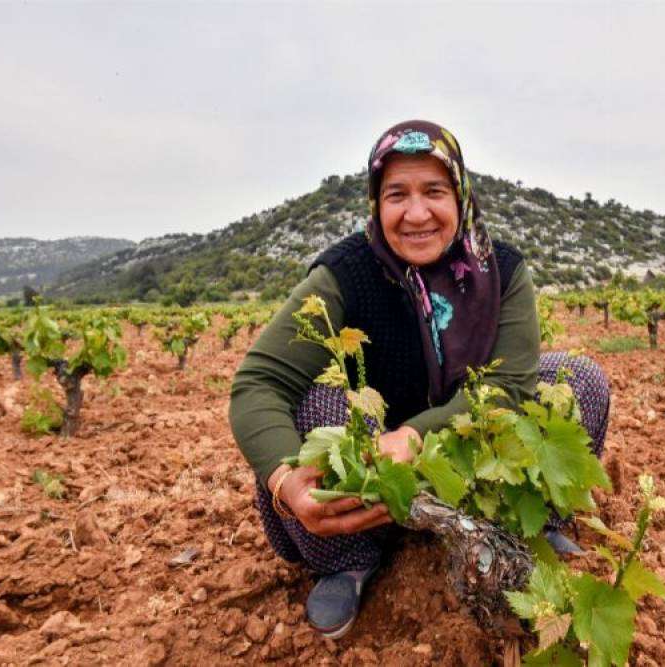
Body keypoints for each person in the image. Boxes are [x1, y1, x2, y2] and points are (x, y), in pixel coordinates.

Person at [229, 120, 610, 639]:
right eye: (396, 195)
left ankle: (531, 522)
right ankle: (348, 557)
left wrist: (415, 434)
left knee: (577, 378)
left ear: (460, 194)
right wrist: (282, 481)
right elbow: (259, 383)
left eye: (434, 191)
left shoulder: (502, 271)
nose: (416, 213)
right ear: (375, 203)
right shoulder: (346, 274)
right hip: (376, 483)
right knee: (314, 400)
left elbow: (510, 388)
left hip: (474, 465)